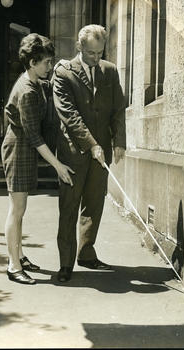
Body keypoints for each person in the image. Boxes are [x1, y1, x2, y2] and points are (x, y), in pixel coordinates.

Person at [52, 24, 126, 282]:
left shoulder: (110, 71)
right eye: (91, 53)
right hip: (74, 152)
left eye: (100, 53)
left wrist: (119, 142)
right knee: (69, 206)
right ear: (79, 46)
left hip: (101, 152)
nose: (96, 58)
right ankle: (65, 263)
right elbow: (69, 115)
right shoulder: (63, 72)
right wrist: (92, 144)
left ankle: (86, 253)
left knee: (94, 203)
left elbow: (118, 109)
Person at [1, 33, 74, 285]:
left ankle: (19, 256)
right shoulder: (28, 91)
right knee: (17, 209)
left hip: (23, 148)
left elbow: (48, 83)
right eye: (45, 62)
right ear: (32, 63)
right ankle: (13, 265)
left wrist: (62, 66)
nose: (49, 66)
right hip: (20, 149)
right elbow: (34, 136)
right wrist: (57, 165)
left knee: (20, 209)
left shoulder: (33, 81)